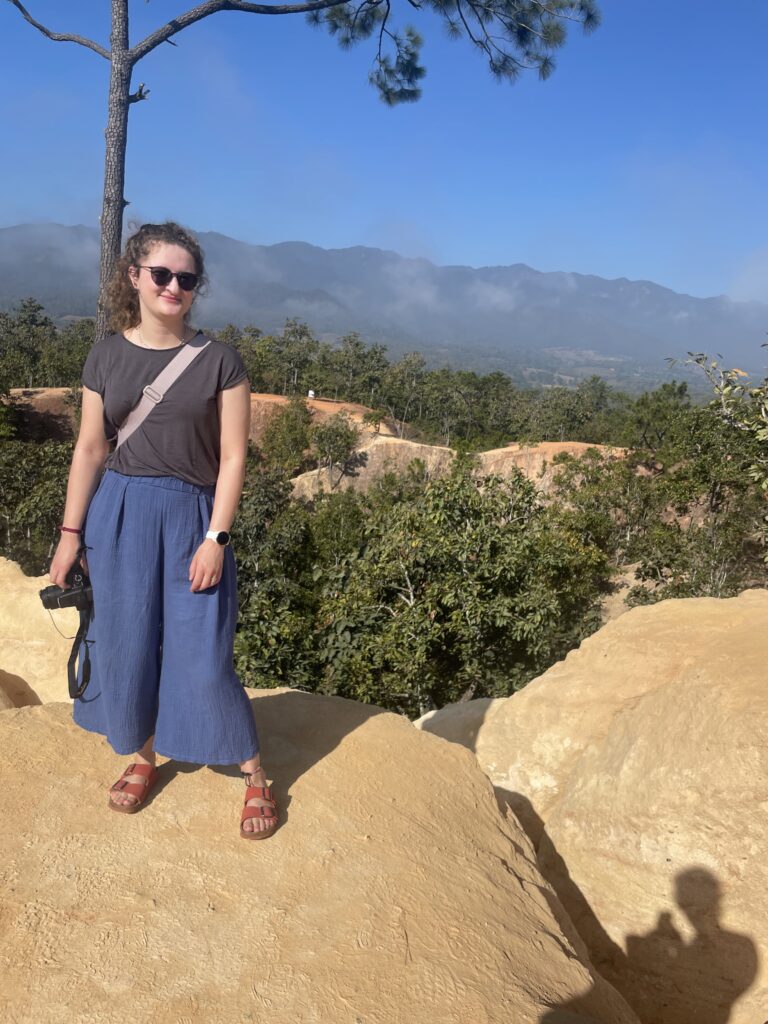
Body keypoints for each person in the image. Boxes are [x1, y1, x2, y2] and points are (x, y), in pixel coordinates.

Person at [48, 221, 277, 840]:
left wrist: (216, 538)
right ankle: (144, 756)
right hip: (118, 514)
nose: (174, 286)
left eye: (187, 278)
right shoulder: (106, 355)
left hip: (192, 519)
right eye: (161, 274)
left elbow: (234, 458)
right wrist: (71, 533)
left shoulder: (219, 361)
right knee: (124, 642)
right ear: (134, 277)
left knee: (202, 650)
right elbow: (90, 448)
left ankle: (254, 771)